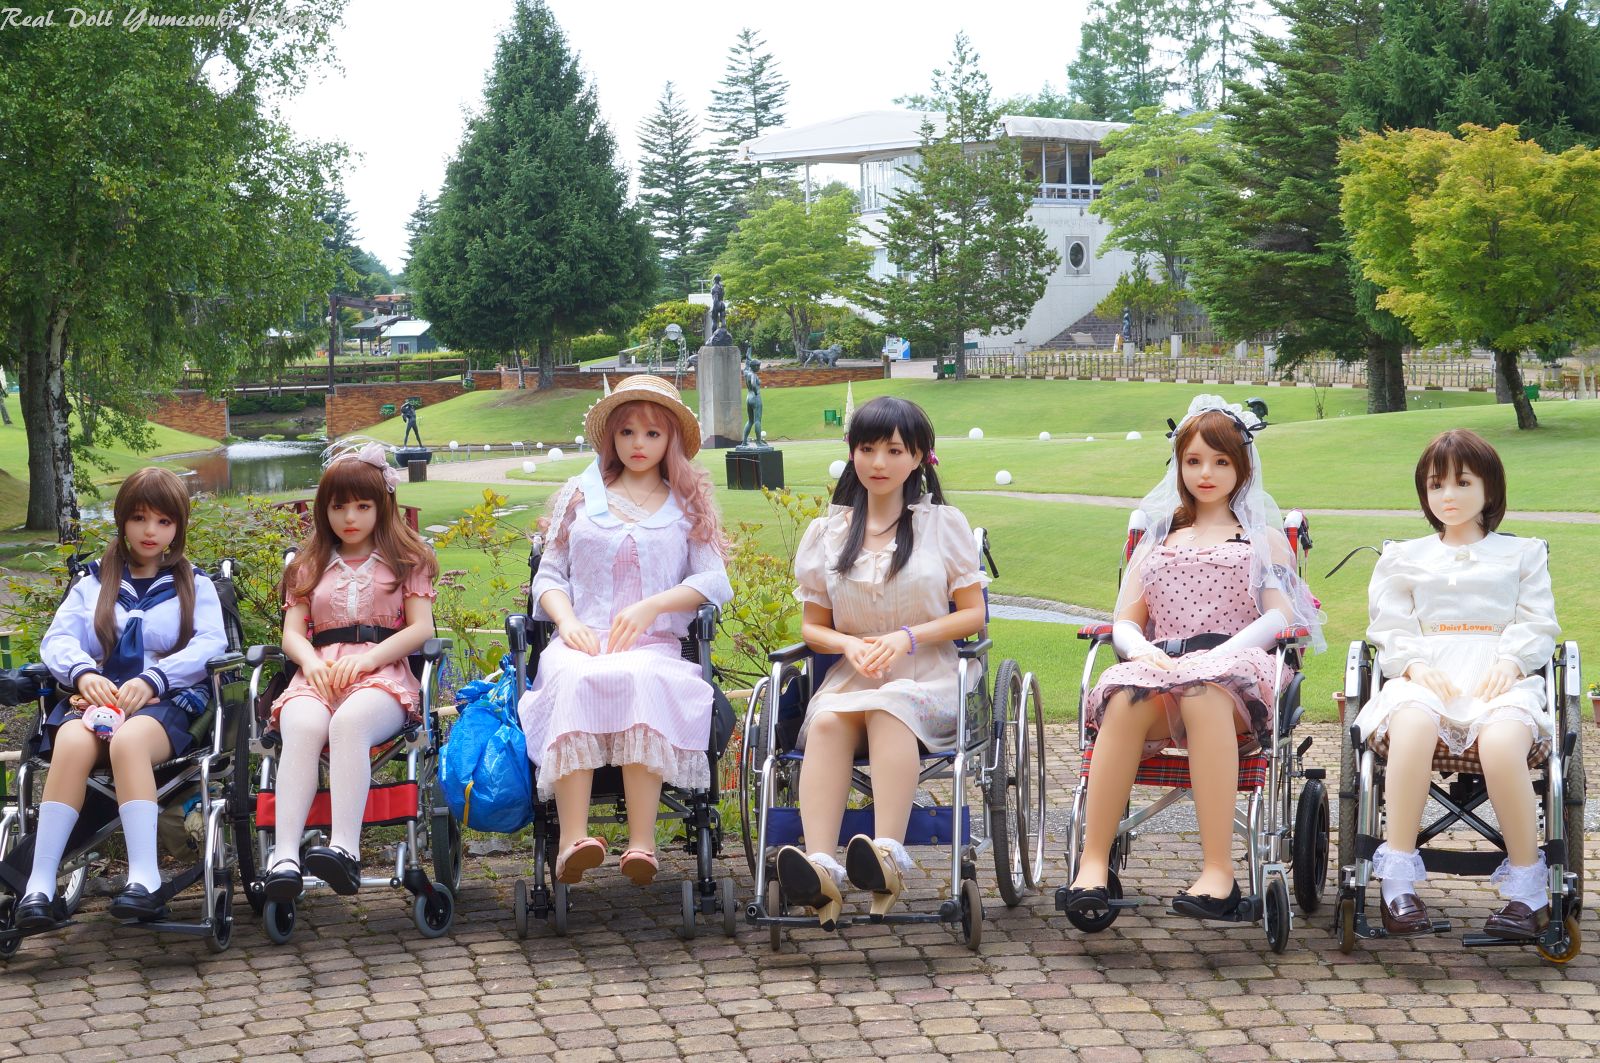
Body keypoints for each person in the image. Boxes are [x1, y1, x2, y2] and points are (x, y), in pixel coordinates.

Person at [1061, 394, 1323, 920]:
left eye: (1221, 461)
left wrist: (1221, 655)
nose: (1206, 473)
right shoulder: (1157, 538)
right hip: (1161, 665)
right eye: (1194, 461)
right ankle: (1092, 865)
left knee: (1203, 692)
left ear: (1242, 466)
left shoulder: (1262, 538)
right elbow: (1126, 619)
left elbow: (1279, 616)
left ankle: (1218, 873)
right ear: (1178, 466)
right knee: (1126, 698)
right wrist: (1139, 647)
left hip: (1237, 665)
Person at [775, 396, 989, 929]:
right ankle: (821, 867)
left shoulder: (942, 525)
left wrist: (907, 638)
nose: (878, 462)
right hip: (855, 674)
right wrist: (847, 645)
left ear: (918, 457)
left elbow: (973, 615)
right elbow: (812, 627)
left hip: (930, 675)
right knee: (828, 721)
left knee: (889, 707)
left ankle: (887, 856)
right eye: (867, 449)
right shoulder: (828, 533)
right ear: (852, 453)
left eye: (894, 450)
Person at [518, 375, 732, 886]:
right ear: (611, 436)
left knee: (641, 680)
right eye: (628, 432)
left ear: (670, 440)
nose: (639, 444)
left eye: (653, 434)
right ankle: (572, 843)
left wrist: (653, 606)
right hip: (581, 640)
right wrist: (566, 621)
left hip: (654, 646)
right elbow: (549, 576)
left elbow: (714, 580)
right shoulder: (581, 496)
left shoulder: (685, 505)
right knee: (573, 678)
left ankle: (642, 843)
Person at [1353, 429, 1559, 940]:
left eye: (1462, 483)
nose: (1447, 495)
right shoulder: (1403, 556)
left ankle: (1529, 895)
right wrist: (1412, 664)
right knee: (1413, 725)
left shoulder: (1523, 554)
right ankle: (1397, 885)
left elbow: (1538, 621)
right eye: (1435, 484)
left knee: (1503, 742)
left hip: (1499, 676)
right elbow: (1390, 623)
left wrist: (1513, 661)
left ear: (1490, 488)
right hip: (1427, 673)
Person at [19, 468, 228, 928]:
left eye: (164, 521)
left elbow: (211, 644)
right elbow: (58, 639)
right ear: (122, 521)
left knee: (129, 741)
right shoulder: (93, 583)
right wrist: (84, 673)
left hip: (165, 703)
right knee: (70, 742)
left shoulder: (195, 585)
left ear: (178, 526)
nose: (151, 531)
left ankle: (144, 879)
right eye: (139, 518)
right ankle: (38, 884)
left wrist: (155, 678)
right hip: (99, 701)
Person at [263, 440, 438, 900]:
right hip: (318, 674)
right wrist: (310, 662)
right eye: (339, 507)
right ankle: (284, 857)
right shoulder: (308, 565)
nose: (350, 517)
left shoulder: (407, 560)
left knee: (349, 723)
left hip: (382, 676)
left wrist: (368, 659)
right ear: (325, 510)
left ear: (382, 506)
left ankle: (345, 849)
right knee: (301, 727)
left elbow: (421, 628)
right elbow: (291, 633)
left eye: (362, 506)